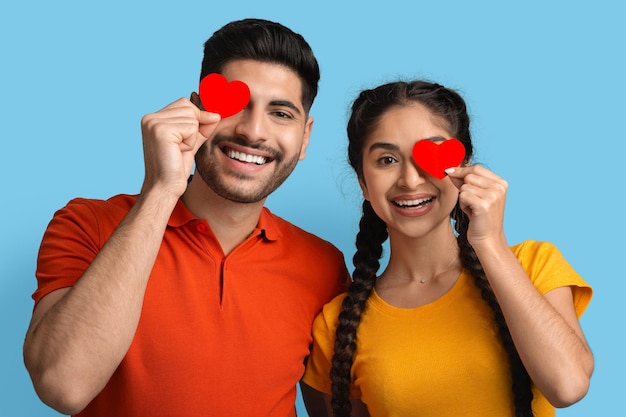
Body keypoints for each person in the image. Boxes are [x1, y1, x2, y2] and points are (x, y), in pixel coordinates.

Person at [23, 18, 350, 417]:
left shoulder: (324, 266)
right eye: (235, 104)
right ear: (194, 112)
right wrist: (160, 191)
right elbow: (63, 387)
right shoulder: (87, 223)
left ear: (305, 137)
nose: (253, 131)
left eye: (281, 113)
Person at [300, 80, 594, 417]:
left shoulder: (533, 265)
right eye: (386, 160)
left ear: (463, 167)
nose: (410, 180)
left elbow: (568, 386)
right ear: (363, 183)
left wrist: (490, 243)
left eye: (431, 153)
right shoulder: (337, 325)